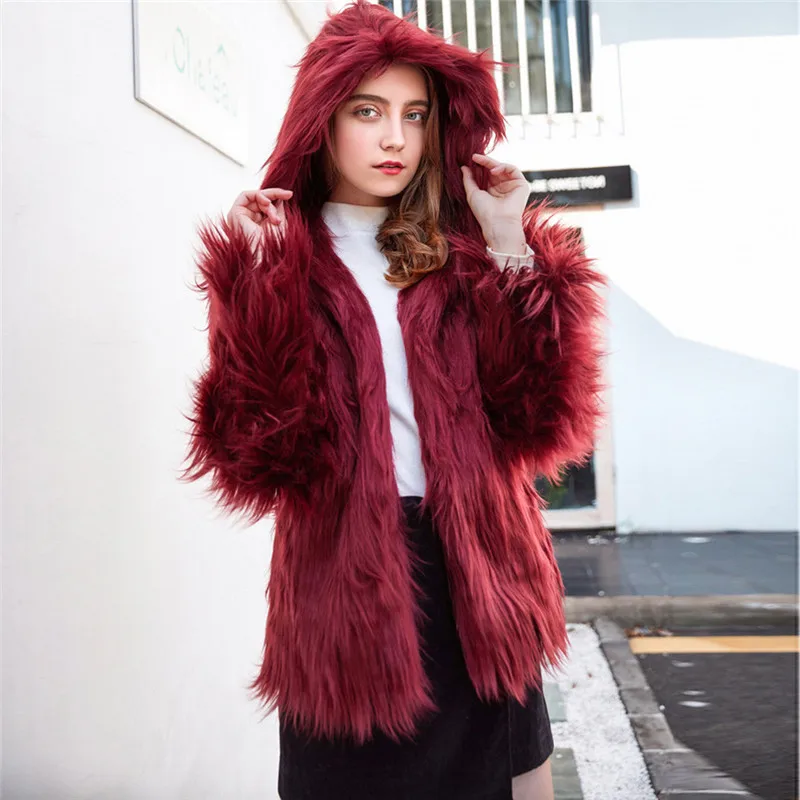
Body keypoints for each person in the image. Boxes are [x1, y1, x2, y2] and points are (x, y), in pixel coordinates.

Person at [181, 1, 607, 798]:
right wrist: (258, 289)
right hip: (347, 584)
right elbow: (261, 455)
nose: (394, 139)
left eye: (414, 115)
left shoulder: (466, 246)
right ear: (322, 119)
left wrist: (509, 243)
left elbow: (539, 416)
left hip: (482, 568)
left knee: (513, 782)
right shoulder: (284, 253)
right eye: (367, 111)